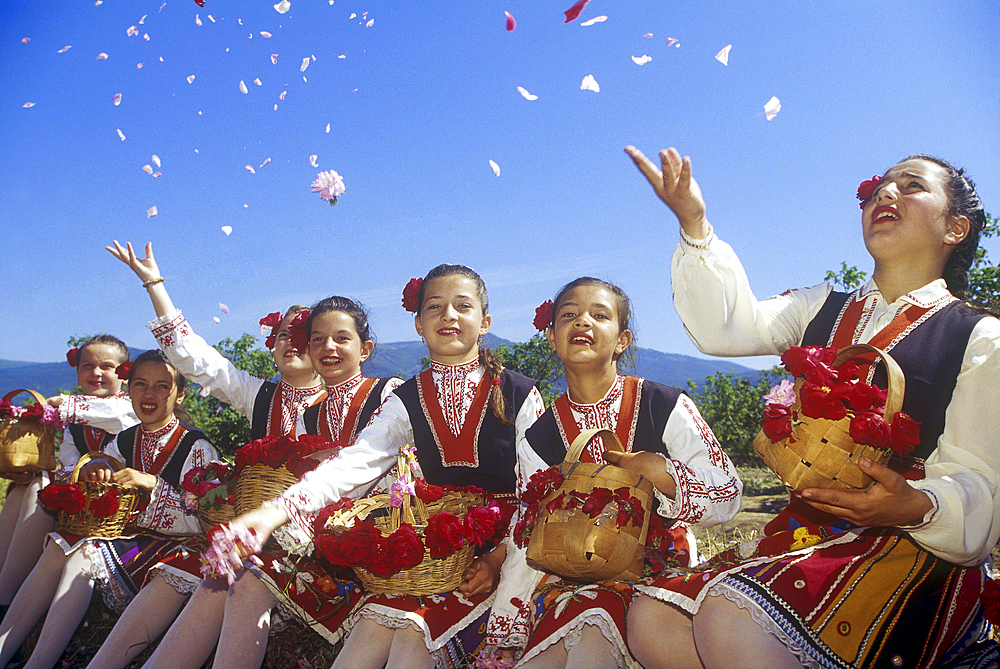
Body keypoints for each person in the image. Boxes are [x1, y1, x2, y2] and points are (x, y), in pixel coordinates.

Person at [622, 144, 1000, 669]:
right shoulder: (820, 307)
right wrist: (694, 222)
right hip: (802, 532)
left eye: (912, 185)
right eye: (876, 187)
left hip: (910, 551)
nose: (885, 193)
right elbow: (724, 327)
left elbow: (981, 481)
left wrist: (915, 504)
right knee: (651, 616)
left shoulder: (980, 337)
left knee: (732, 615)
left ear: (955, 228)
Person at [219, 264, 546, 669]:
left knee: (412, 637)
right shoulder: (408, 398)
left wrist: (496, 560)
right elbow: (357, 462)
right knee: (370, 635)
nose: (449, 315)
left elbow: (538, 494)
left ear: (485, 323)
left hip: (509, 554)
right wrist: (273, 512)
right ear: (418, 324)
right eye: (435, 307)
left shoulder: (519, 392)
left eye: (463, 306)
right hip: (434, 553)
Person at [86, 241, 327, 669]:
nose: (293, 340)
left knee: (232, 573)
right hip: (252, 543)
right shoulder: (260, 397)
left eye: (306, 332)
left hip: (312, 550)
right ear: (273, 343)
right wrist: (153, 284)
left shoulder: (346, 406)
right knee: (194, 570)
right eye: (284, 332)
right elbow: (196, 359)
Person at [485, 278, 742, 669]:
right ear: (552, 339)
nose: (582, 322)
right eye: (569, 315)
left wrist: (663, 473)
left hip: (660, 572)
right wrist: (507, 627)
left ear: (622, 340)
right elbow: (528, 528)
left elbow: (730, 495)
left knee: (591, 643)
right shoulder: (541, 435)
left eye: (599, 315)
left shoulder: (664, 404)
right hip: (571, 575)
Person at [135, 296, 402, 669]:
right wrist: (155, 287)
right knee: (223, 569)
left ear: (364, 348)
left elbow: (380, 472)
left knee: (243, 573)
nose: (323, 347)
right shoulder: (293, 409)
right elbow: (202, 364)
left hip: (367, 546)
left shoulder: (389, 395)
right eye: (307, 337)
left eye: (339, 338)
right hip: (298, 539)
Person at [0, 350, 217, 669]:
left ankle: (38, 663)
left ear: (180, 394)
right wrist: (95, 469)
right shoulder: (126, 439)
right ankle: (5, 648)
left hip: (173, 546)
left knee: (84, 554)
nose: (149, 394)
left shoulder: (196, 446)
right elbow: (102, 463)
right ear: (128, 391)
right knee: (60, 543)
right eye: (140, 384)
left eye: (162, 386)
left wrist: (151, 484)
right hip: (126, 538)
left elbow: (204, 519)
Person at [0, 335, 137, 617]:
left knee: (40, 485)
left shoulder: (130, 406)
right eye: (87, 366)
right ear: (77, 370)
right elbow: (68, 460)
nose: (96, 373)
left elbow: (115, 416)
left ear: (124, 373)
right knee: (21, 488)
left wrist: (61, 404)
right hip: (85, 496)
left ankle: (6, 595)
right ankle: (5, 582)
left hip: (122, 505)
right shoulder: (77, 420)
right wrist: (72, 471)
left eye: (107, 366)